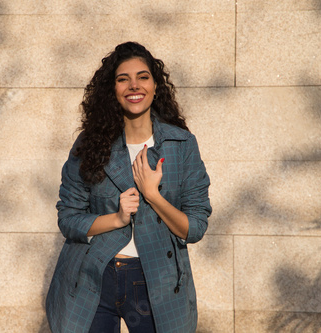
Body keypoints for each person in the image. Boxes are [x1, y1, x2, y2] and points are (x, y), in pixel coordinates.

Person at [46, 41, 212, 333]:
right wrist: (118, 219)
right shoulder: (90, 144)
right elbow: (68, 218)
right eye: (123, 79)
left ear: (156, 86)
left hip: (156, 282)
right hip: (93, 276)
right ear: (113, 90)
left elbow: (194, 227)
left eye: (143, 77)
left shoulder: (181, 145)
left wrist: (152, 196)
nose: (134, 86)